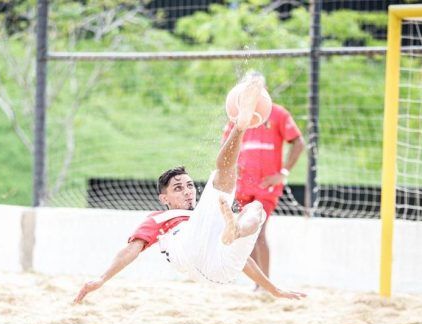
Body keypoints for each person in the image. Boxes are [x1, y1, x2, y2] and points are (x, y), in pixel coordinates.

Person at [74, 77, 305, 304]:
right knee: (224, 176)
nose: (187, 191)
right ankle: (240, 126)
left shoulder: (207, 217)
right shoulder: (159, 218)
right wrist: (101, 279)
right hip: (188, 248)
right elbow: (131, 249)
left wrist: (274, 290)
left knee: (255, 211)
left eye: (189, 185)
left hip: (220, 270)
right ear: (164, 198)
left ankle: (237, 229)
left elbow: (242, 260)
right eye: (178, 188)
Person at [221, 71, 305, 283]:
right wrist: (232, 168)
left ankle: (263, 284)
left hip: (265, 186)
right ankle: (253, 283)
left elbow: (298, 142)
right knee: (242, 234)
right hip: (241, 185)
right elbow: (225, 148)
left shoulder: (278, 114)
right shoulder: (236, 115)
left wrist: (283, 173)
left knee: (257, 232)